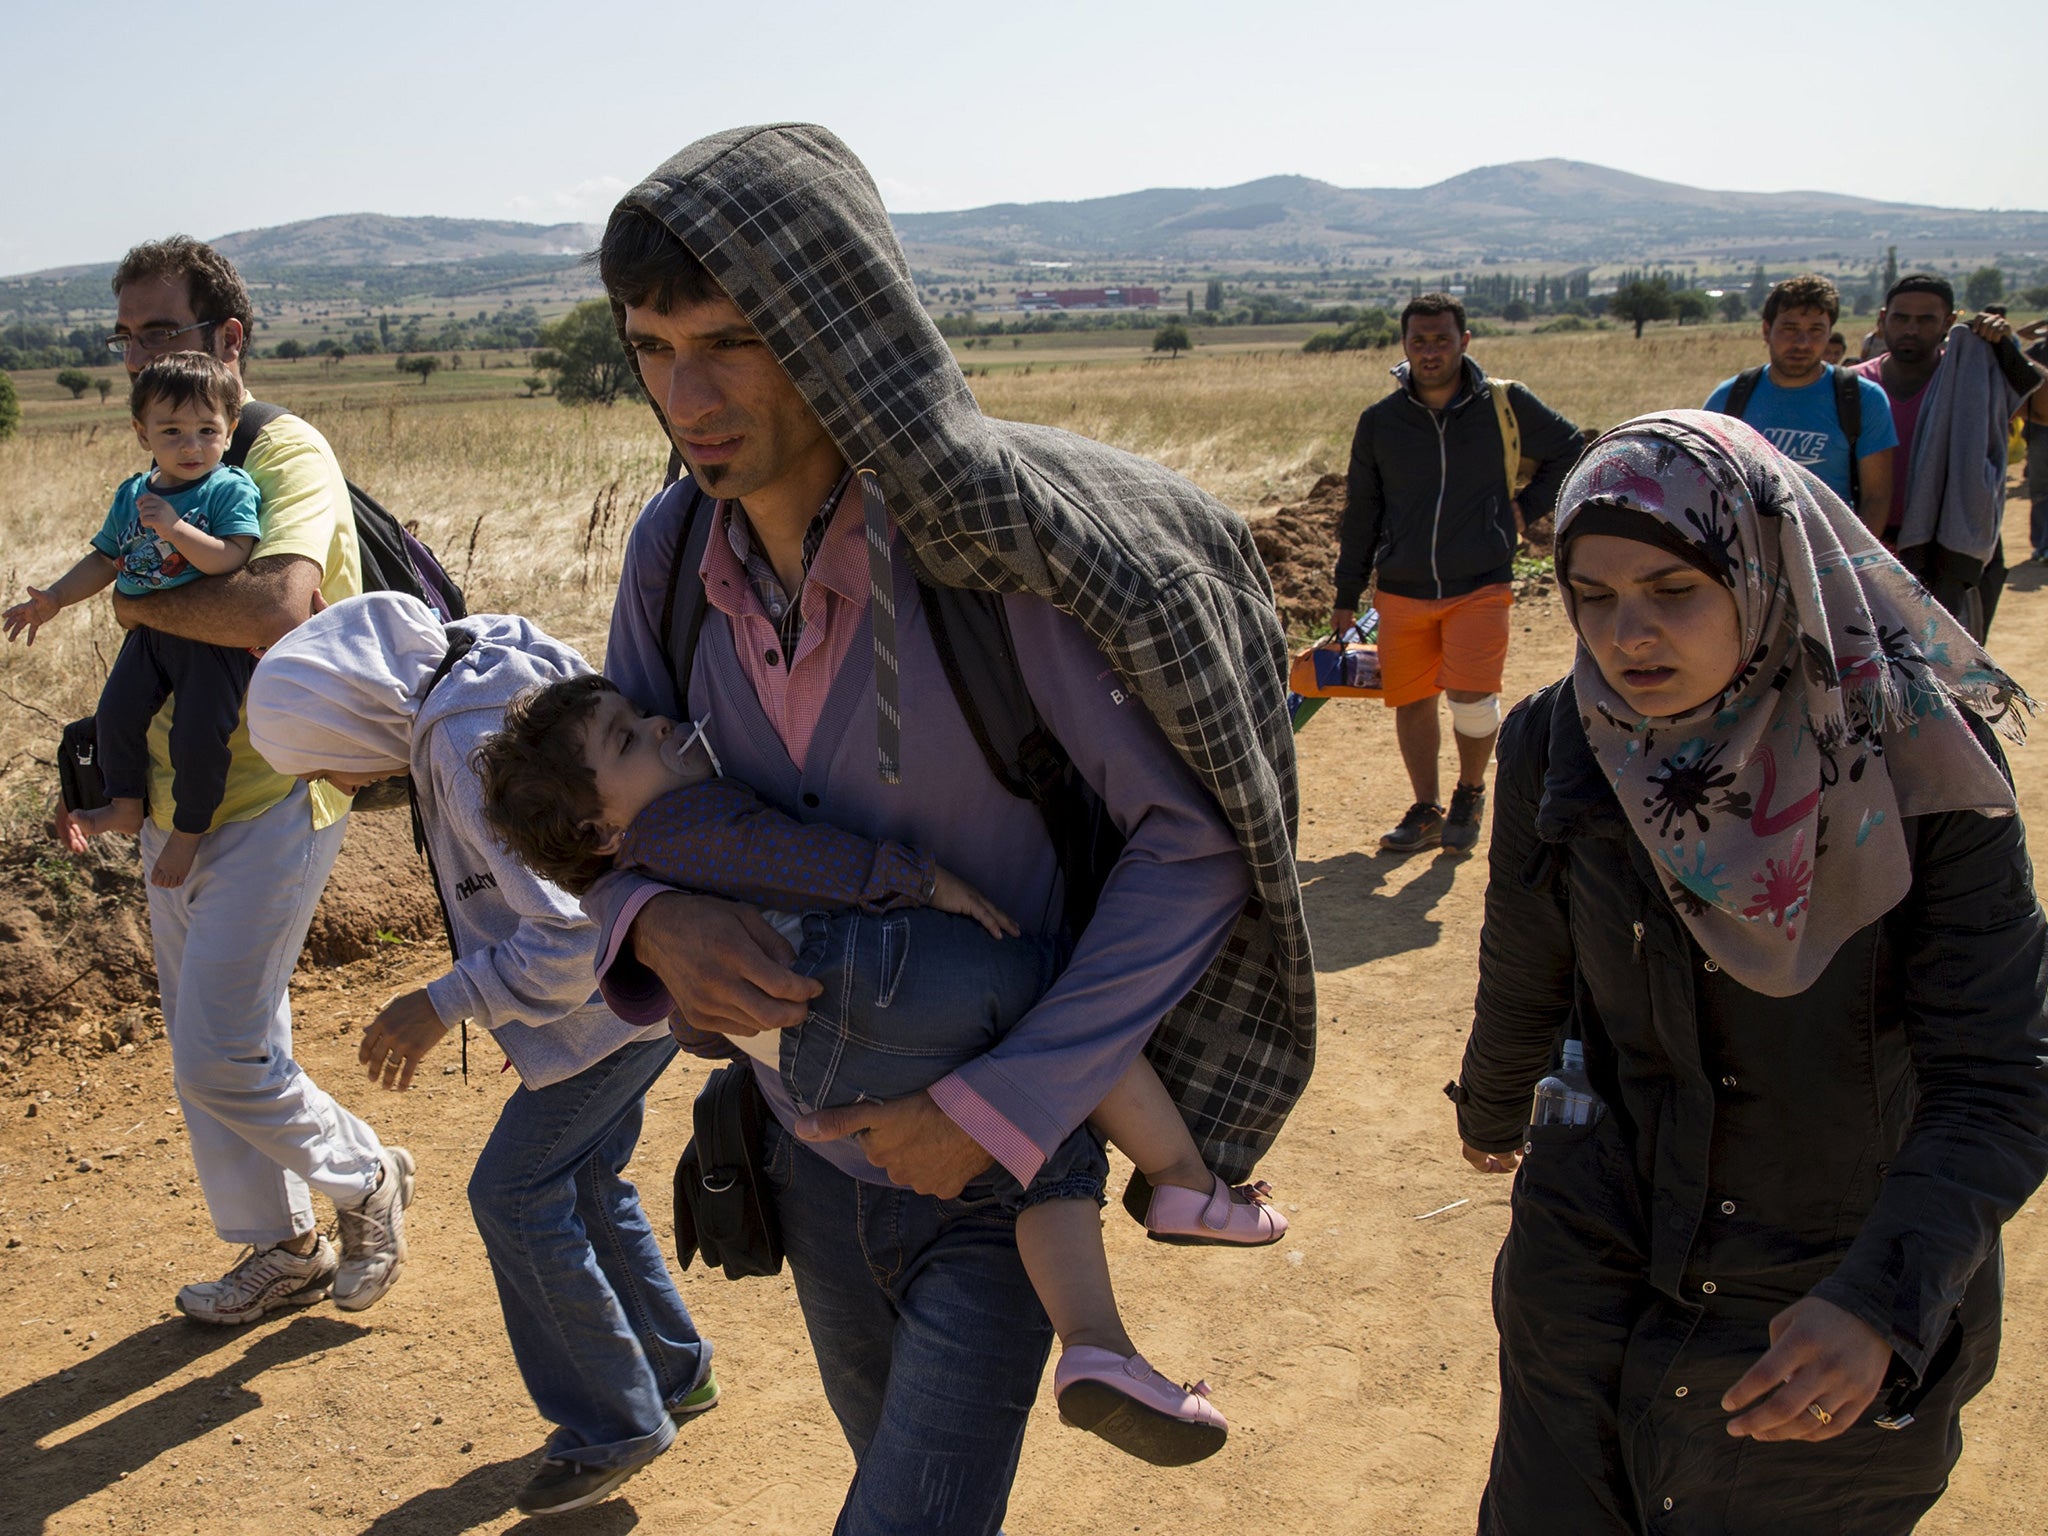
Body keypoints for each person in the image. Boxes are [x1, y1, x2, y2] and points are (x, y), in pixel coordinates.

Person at [584, 124, 1313, 1535]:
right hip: (806, 1154)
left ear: (835, 332)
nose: (690, 393)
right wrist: (650, 925)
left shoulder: (992, 566)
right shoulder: (673, 560)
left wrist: (994, 1109)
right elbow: (601, 810)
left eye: (731, 339)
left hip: (1001, 1174)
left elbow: (1194, 843)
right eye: (653, 345)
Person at [1449, 409, 2048, 1534]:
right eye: (1592, 596)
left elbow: (1998, 1080)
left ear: (1764, 566)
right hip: (1592, 1262)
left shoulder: (1917, 765)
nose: (1627, 636)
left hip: (1815, 1303)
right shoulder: (1560, 738)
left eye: (1672, 591)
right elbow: (1527, 954)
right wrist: (1491, 1104)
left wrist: (1877, 1306)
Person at [475, 673, 1289, 1462]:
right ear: (599, 834)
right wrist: (922, 879)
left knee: (1042, 1144)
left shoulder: (644, 864)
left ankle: (1098, 1351)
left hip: (823, 1068)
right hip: (859, 982)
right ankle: (1182, 1180)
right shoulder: (681, 825)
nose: (657, 726)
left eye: (640, 716)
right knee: (1056, 1000)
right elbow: (793, 858)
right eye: (627, 739)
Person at [242, 592, 718, 1518]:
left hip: (622, 998)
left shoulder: (461, 739)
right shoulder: (485, 662)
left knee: (514, 1193)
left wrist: (448, 1001)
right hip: (636, 990)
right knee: (581, 1181)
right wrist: (521, 1014)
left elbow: (576, 933)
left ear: (342, 711)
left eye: (321, 759)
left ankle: (612, 1426)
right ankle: (674, 1372)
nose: (336, 781)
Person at [73, 235, 410, 1325]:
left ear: (228, 339)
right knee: (212, 1043)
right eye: (126, 337)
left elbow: (272, 607)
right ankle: (279, 1245)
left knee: (220, 1051)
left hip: (277, 793)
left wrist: (131, 606)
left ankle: (364, 1175)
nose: (138, 357)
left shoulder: (284, 452)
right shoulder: (171, 456)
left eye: (159, 332)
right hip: (176, 797)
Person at [1329, 292, 1583, 854]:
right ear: (1404, 345)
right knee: (1411, 701)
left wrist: (1524, 509)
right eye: (1419, 341)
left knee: (1471, 697)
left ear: (1464, 341)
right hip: (1401, 588)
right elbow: (1362, 510)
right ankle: (1425, 808)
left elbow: (1570, 447)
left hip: (1480, 581)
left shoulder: (1504, 404)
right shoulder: (1380, 423)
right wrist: (1347, 593)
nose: (1430, 351)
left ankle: (1470, 791)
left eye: (1441, 339)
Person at [4, 351, 262, 887]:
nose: (191, 446)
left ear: (230, 429)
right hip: (150, 636)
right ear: (142, 433)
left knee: (197, 735)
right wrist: (53, 598)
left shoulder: (228, 488)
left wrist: (174, 529)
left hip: (211, 642)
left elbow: (230, 558)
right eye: (172, 431)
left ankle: (189, 833)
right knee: (115, 715)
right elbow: (104, 559)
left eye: (206, 430)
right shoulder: (133, 494)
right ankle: (124, 806)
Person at [1846, 273, 2048, 637]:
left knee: (1955, 671)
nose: (1911, 328)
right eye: (1901, 317)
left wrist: (2007, 349)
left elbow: (2043, 409)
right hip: (1871, 545)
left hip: (1953, 549)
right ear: (1881, 318)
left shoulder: (1974, 381)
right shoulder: (1849, 387)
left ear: (1950, 323)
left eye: (1926, 320)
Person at [1704, 273, 1895, 531]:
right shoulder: (1728, 399)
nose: (1802, 343)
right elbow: (1705, 485)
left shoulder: (1863, 399)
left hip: (1831, 556)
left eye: (1815, 330)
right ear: (1766, 330)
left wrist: (1856, 567)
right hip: (1747, 555)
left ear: (1830, 334)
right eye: (1790, 329)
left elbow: (1877, 497)